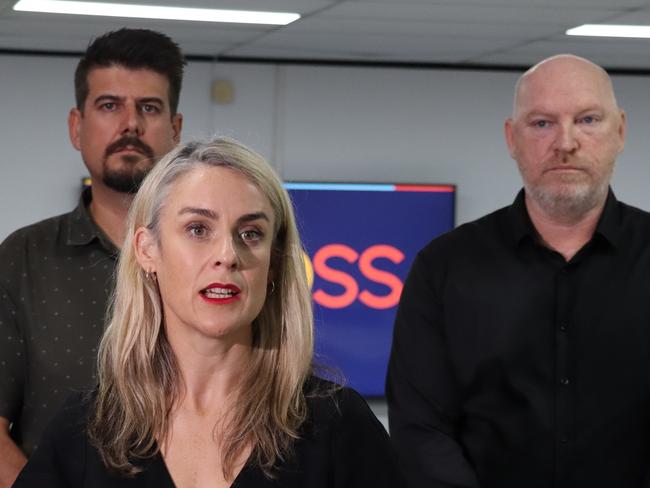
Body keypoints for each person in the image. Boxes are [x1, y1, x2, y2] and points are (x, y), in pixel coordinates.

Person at [13, 137, 404, 487]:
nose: (228, 255)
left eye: (250, 233)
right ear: (148, 250)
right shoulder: (88, 428)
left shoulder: (338, 425)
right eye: (198, 229)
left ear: (276, 261)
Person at [387, 54, 650, 487]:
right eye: (542, 123)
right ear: (512, 138)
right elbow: (421, 430)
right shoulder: (445, 268)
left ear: (620, 131)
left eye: (587, 120)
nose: (565, 142)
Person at [0, 28, 184, 486]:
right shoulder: (22, 259)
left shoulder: (212, 257)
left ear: (175, 130)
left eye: (149, 107)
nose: (130, 125)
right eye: (109, 106)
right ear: (76, 127)